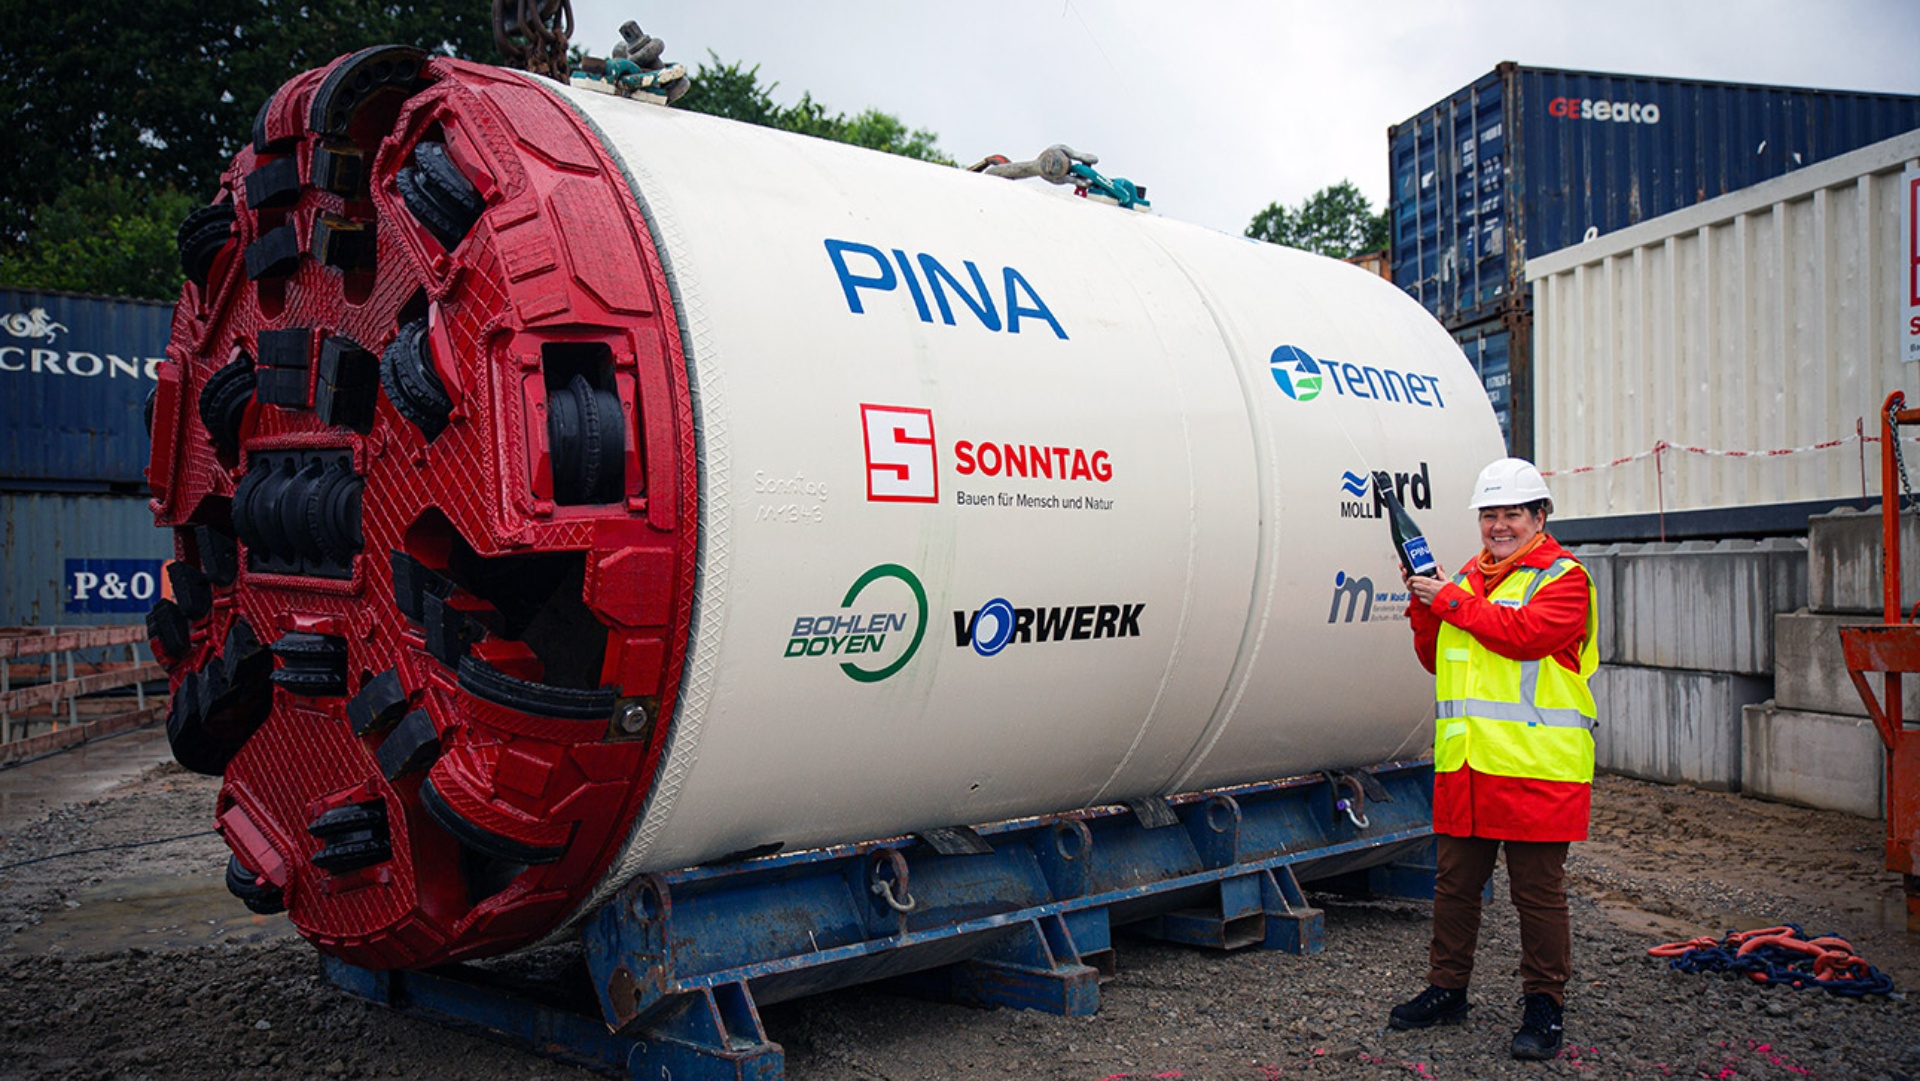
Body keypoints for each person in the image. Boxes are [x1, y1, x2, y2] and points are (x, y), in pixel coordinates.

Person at [1384, 457, 1598, 1062]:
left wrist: (1449, 601)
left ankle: (1545, 1005)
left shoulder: (1565, 578)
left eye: (1512, 514)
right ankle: (1447, 990)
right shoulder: (1464, 580)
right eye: (1490, 515)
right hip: (1470, 765)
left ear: (1539, 517)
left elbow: (1526, 635)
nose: (1499, 526)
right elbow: (1437, 659)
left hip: (1537, 769)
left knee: (1538, 894)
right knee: (1454, 886)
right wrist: (1426, 609)